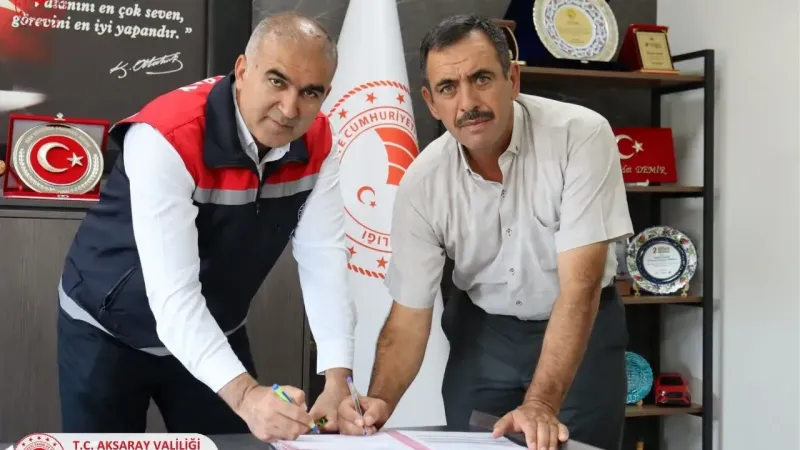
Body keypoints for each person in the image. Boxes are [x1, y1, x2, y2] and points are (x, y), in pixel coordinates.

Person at [338, 14, 634, 450]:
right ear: (430, 102)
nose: (468, 103)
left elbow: (581, 287)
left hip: (582, 328)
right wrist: (379, 401)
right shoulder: (422, 182)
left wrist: (541, 404)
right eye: (448, 88)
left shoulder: (582, 136)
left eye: (481, 79)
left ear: (512, 79)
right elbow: (409, 315)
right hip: (483, 338)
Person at [56, 12, 356, 442]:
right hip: (106, 327)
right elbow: (174, 296)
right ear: (242, 71)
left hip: (215, 326)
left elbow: (324, 257)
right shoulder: (166, 135)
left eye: (310, 92)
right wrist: (247, 396)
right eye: (277, 81)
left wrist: (338, 379)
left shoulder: (320, 142)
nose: (290, 109)